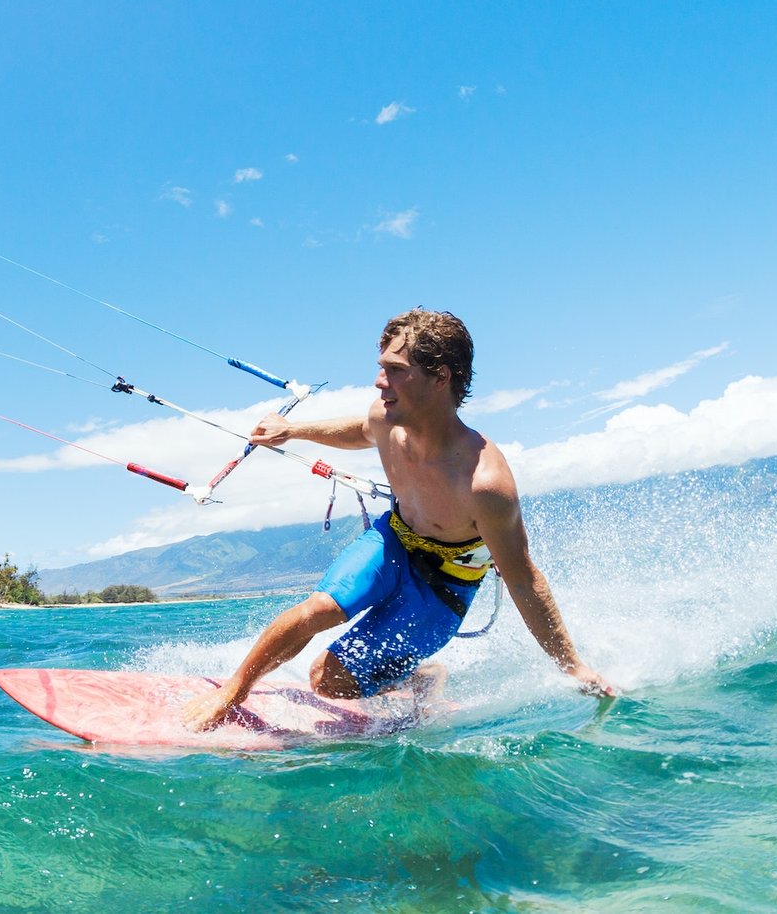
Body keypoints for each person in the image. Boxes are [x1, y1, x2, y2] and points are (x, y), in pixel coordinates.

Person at [183, 308, 616, 732]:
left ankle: (424, 676)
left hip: (442, 585)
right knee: (318, 609)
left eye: (396, 369)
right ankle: (231, 693)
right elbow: (360, 430)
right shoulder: (385, 418)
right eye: (381, 367)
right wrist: (294, 430)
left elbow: (523, 579)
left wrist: (572, 666)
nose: (379, 381)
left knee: (326, 681)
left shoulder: (484, 482)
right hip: (394, 541)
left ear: (441, 377)